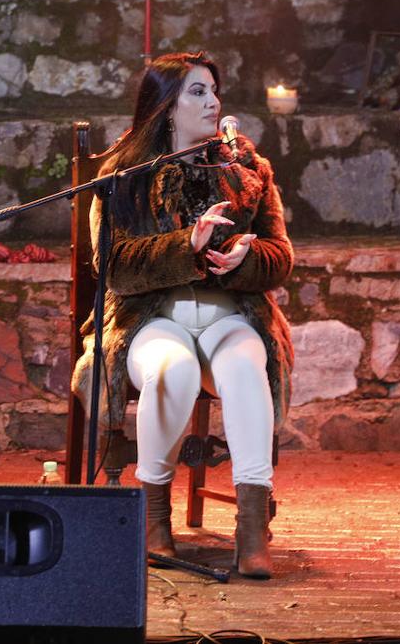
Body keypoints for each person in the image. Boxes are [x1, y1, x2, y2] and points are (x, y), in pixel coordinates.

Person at [71, 51, 294, 578]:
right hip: (151, 318)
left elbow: (280, 257)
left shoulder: (247, 170)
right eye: (198, 92)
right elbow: (116, 269)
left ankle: (252, 526)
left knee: (245, 366)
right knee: (174, 369)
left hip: (230, 315)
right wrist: (185, 247)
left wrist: (245, 257)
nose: (213, 101)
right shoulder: (123, 175)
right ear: (166, 107)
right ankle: (152, 519)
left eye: (214, 90)